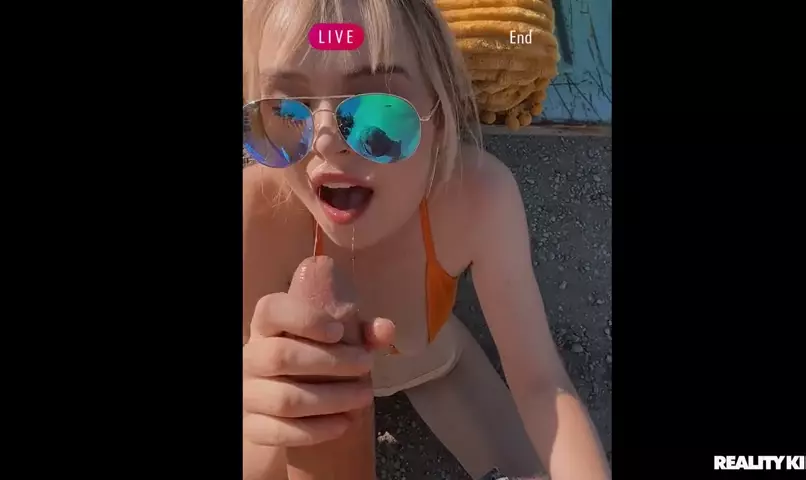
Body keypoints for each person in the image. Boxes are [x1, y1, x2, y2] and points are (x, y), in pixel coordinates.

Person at [241, 0, 610, 479]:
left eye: (379, 107)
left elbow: (541, 383)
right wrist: (264, 409)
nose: (325, 141)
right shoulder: (256, 213)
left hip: (430, 363)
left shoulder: (477, 199)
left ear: (442, 110)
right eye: (286, 110)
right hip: (314, 393)